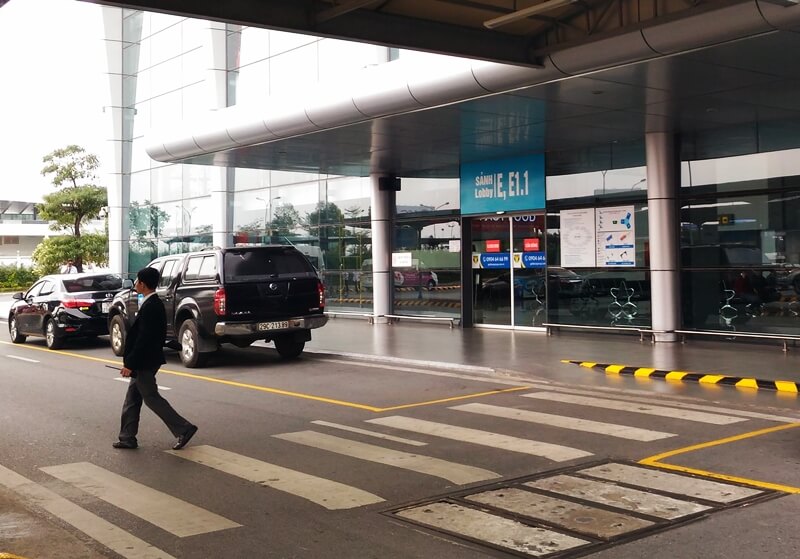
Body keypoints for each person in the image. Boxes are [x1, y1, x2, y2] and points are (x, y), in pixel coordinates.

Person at [113, 267, 198, 450]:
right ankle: (127, 437)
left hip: (145, 361)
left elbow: (144, 339)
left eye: (137, 281)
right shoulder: (152, 303)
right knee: (132, 399)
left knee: (151, 397)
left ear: (143, 284)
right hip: (146, 359)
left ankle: (183, 428)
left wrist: (130, 364)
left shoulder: (151, 306)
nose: (135, 284)